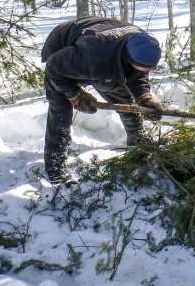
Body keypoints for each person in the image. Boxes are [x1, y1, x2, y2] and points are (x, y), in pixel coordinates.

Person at [41, 15, 164, 184]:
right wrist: (75, 95)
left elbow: (137, 73)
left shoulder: (143, 43)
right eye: (149, 66)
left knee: (123, 97)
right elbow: (54, 67)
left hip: (102, 45)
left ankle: (138, 142)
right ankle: (54, 166)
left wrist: (143, 97)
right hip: (62, 50)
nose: (154, 69)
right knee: (60, 106)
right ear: (130, 59)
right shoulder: (94, 56)